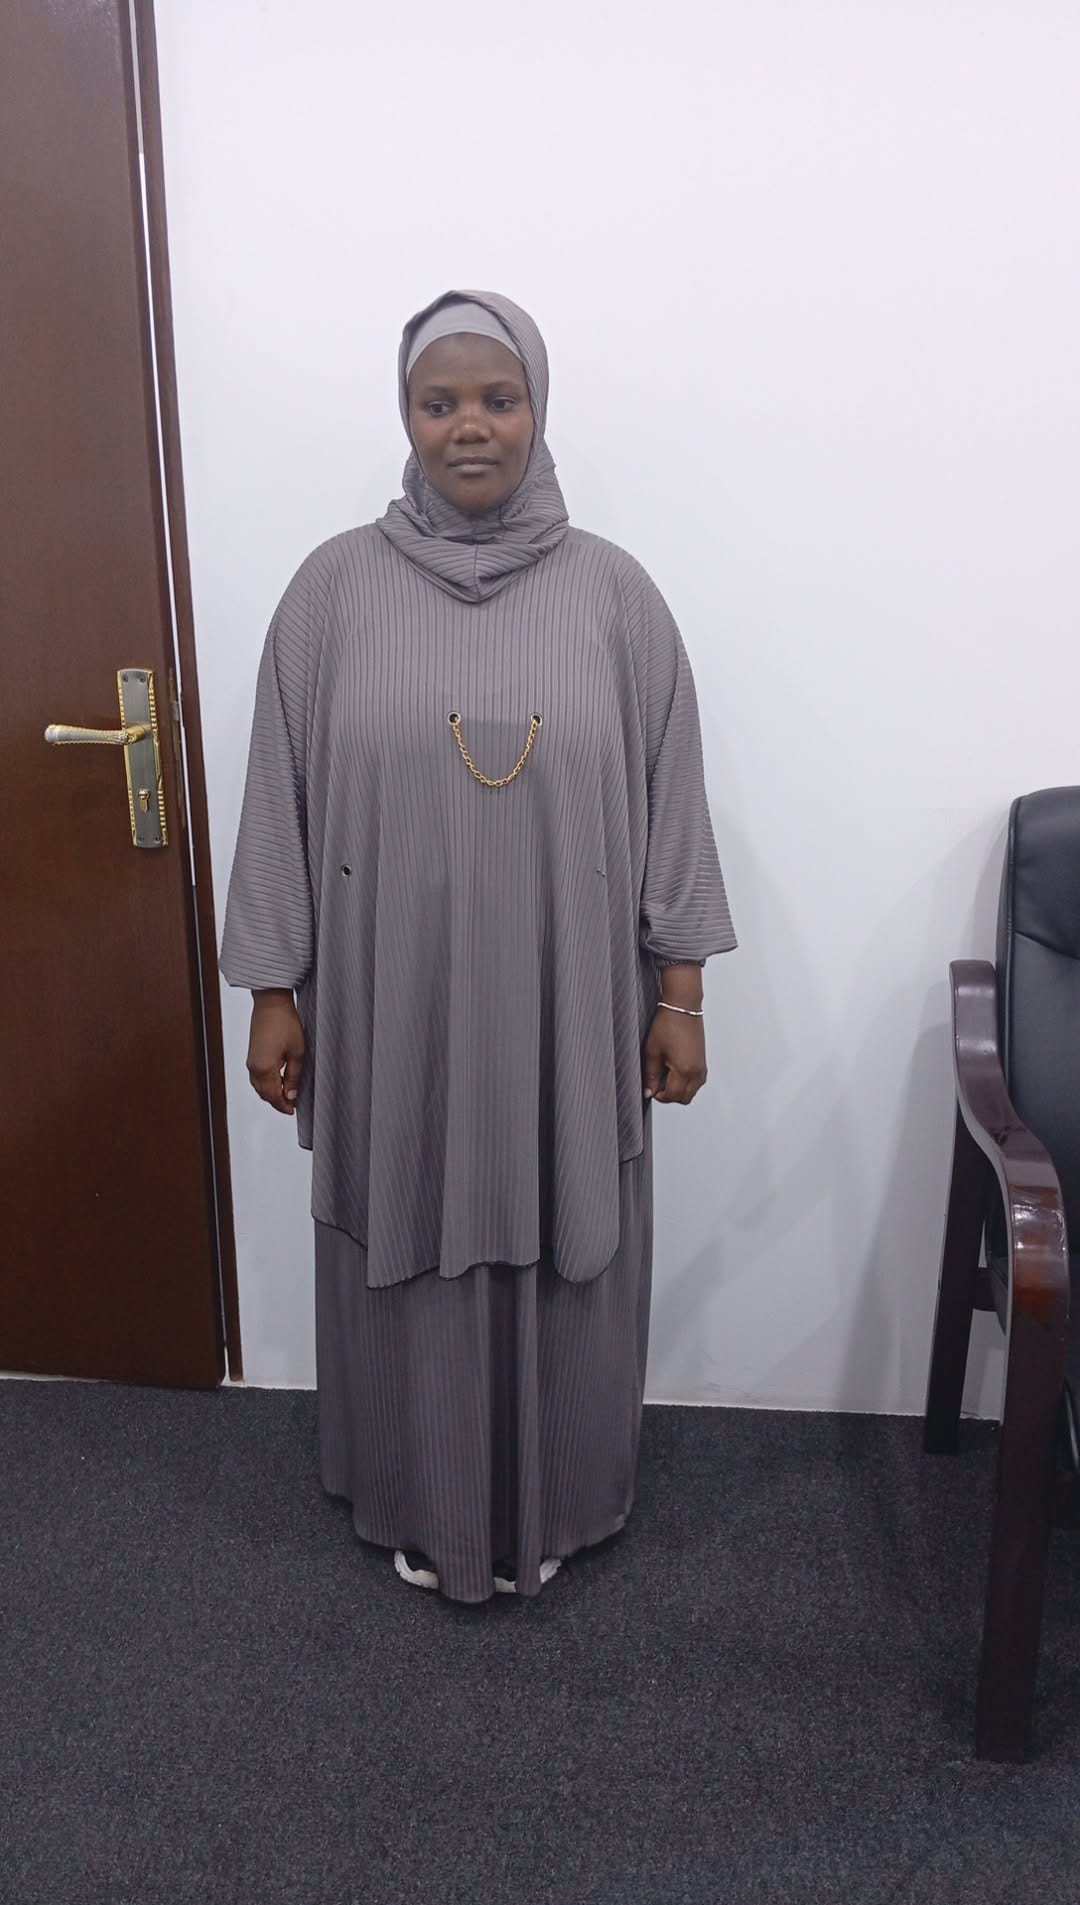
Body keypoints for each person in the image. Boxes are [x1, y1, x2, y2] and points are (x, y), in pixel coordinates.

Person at [221, 290, 736, 1603]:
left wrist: (680, 995)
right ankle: (417, 1494)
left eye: (497, 399)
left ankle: (558, 1493)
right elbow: (278, 795)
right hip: (393, 1001)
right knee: (405, 1209)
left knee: (564, 1218)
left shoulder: (616, 596)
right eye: (437, 400)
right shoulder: (333, 591)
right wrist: (274, 990)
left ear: (537, 410)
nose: (469, 425)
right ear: (404, 415)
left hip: (569, 1004)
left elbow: (672, 797)